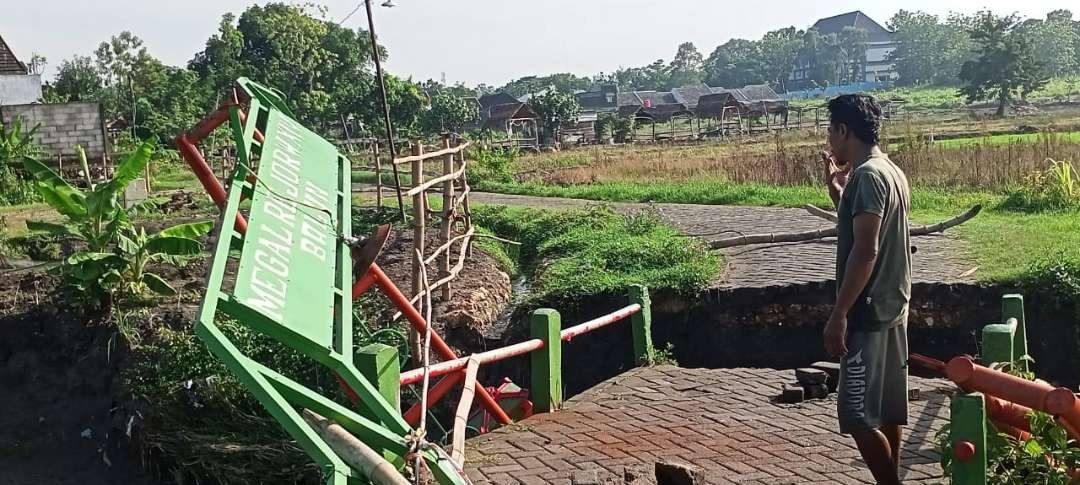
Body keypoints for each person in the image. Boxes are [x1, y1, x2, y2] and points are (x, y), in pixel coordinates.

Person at [822, 94, 912, 485]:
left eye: (830, 130)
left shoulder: (868, 177)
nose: (829, 140)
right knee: (888, 411)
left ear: (844, 130)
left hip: (868, 311)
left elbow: (866, 249)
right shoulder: (889, 170)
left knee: (857, 415)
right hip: (894, 306)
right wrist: (839, 194)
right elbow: (871, 225)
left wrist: (839, 314)